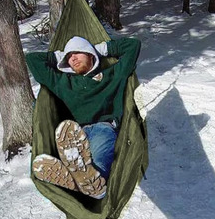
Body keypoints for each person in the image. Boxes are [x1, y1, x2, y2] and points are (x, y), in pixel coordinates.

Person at [25, 34, 141, 199]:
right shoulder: (63, 82)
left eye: (77, 53)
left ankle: (87, 182)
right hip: (74, 132)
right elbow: (32, 59)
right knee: (74, 144)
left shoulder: (112, 75)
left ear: (90, 54)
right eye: (69, 57)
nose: (72, 58)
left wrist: (99, 49)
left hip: (103, 127)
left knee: (98, 161)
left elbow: (133, 45)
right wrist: (60, 56)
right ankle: (84, 181)